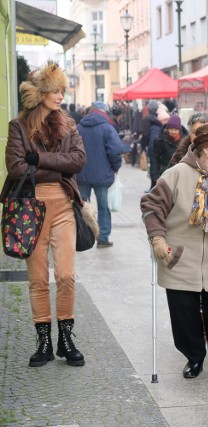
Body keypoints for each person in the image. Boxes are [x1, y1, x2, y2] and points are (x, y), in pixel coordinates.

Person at [141, 121, 208, 379]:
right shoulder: (176, 174)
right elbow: (152, 207)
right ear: (206, 147)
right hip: (179, 256)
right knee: (183, 314)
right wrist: (157, 239)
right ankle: (194, 357)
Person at [1, 61, 87, 367]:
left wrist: (40, 159)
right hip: (29, 210)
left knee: (65, 274)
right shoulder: (18, 127)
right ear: (39, 94)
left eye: (62, 89)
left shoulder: (69, 125)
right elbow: (16, 168)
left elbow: (77, 161)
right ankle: (44, 342)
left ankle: (66, 338)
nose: (61, 95)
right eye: (54, 90)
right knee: (38, 278)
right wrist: (55, 164)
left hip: (63, 205)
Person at [76, 101, 123, 248]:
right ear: (104, 112)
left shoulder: (78, 128)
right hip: (102, 176)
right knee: (103, 207)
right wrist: (115, 168)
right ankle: (102, 238)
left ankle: (82, 236)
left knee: (82, 206)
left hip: (81, 174)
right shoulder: (107, 128)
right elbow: (115, 151)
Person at [150, 114, 187, 188]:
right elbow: (154, 159)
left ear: (179, 130)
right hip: (163, 173)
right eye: (171, 129)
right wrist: (155, 177)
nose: (173, 132)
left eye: (176, 129)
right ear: (167, 129)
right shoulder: (160, 140)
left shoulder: (185, 141)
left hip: (180, 175)